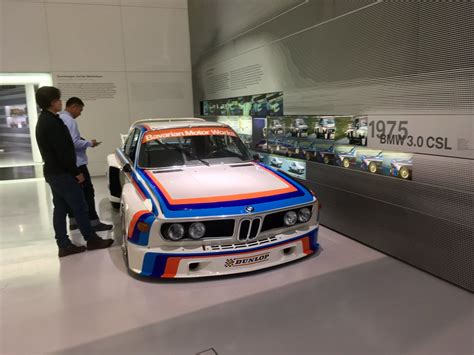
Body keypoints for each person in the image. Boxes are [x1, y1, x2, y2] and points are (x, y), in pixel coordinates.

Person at [35, 86, 113, 257]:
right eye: (58, 100)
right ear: (53, 102)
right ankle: (91, 239)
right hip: (63, 172)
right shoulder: (53, 123)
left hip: (53, 172)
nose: (60, 103)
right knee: (80, 206)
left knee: (61, 208)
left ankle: (63, 244)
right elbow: (63, 151)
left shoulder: (45, 120)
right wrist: (75, 171)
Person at [59, 97, 113, 232]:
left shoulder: (59, 118)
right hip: (77, 164)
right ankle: (93, 222)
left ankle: (73, 221)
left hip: (67, 163)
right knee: (87, 193)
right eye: (80, 110)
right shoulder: (70, 121)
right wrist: (90, 143)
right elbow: (74, 142)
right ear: (73, 107)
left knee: (72, 194)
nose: (80, 113)